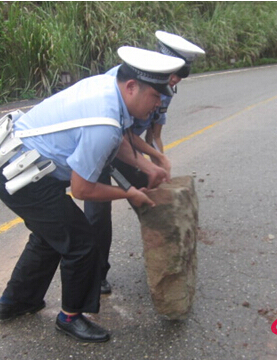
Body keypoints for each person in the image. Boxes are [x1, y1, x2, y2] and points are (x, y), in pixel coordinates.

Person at [0, 46, 185, 343]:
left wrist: (143, 166)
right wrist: (129, 194)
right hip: (24, 178)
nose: (157, 105)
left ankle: (15, 302)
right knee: (81, 242)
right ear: (132, 86)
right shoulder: (104, 121)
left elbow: (117, 139)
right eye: (155, 96)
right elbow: (83, 189)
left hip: (17, 165)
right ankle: (70, 317)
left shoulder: (108, 86)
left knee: (51, 237)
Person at [84, 31, 205, 295]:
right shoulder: (122, 80)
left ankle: (163, 258)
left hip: (128, 148)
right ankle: (96, 275)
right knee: (98, 214)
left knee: (152, 200)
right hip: (100, 146)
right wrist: (151, 162)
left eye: (181, 74)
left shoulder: (163, 87)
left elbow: (154, 134)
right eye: (175, 72)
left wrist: (159, 166)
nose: (175, 80)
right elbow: (117, 135)